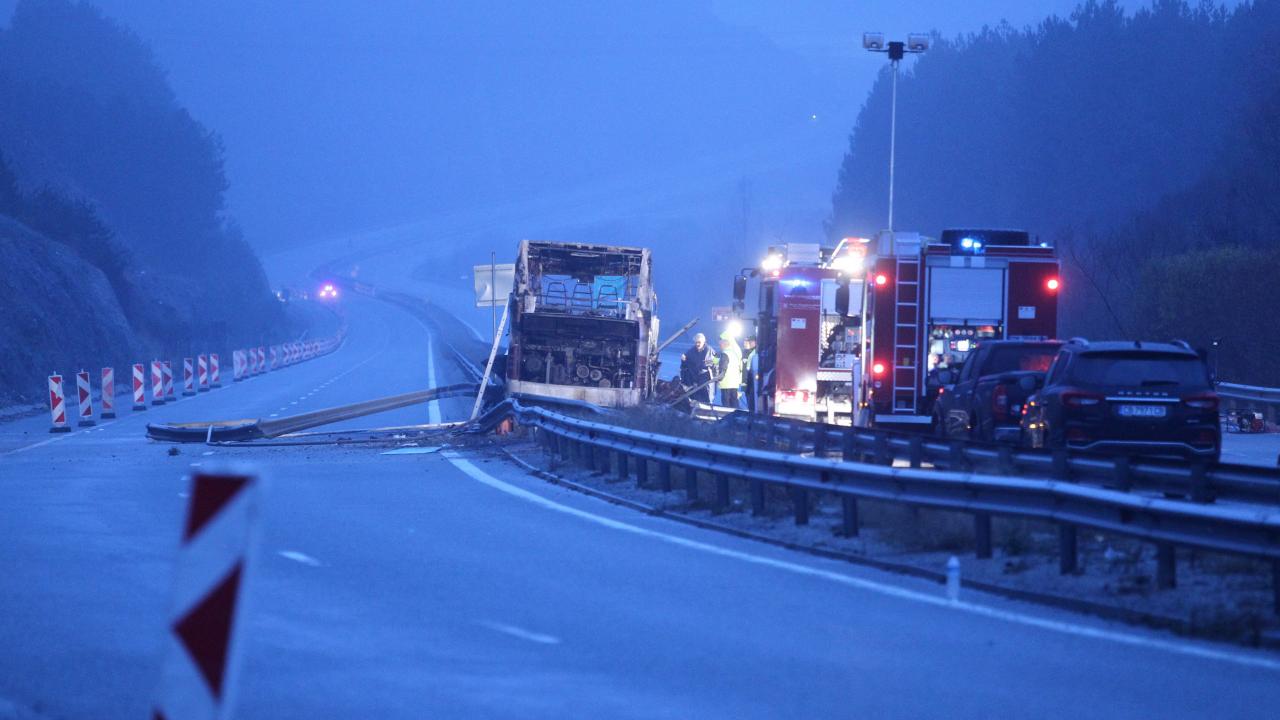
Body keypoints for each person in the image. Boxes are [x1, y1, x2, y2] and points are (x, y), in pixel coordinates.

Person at [680, 333, 717, 403]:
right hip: (694, 380)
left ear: (704, 342)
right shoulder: (691, 351)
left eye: (699, 342)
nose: (697, 344)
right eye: (696, 342)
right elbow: (684, 364)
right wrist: (684, 360)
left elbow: (713, 365)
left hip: (706, 380)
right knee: (694, 398)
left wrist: (715, 377)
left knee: (706, 399)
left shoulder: (709, 351)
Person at [717, 332, 742, 409]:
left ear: (725, 343)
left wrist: (718, 378)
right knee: (734, 403)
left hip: (726, 384)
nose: (719, 345)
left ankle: (727, 419)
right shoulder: (734, 353)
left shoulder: (725, 354)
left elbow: (723, 369)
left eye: (720, 343)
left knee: (726, 406)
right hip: (734, 384)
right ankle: (736, 418)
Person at [742, 336, 758, 412]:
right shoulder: (750, 352)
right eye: (749, 341)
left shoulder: (755, 352)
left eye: (751, 341)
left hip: (752, 379)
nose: (750, 343)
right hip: (749, 379)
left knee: (751, 401)